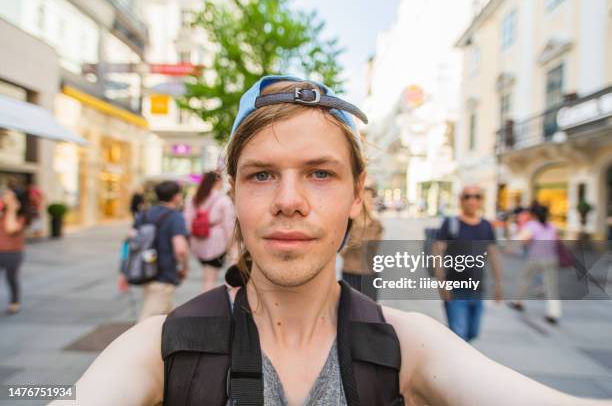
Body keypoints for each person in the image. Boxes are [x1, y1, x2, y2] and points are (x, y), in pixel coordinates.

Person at [60, 76, 609, 405]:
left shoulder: (407, 348)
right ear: (233, 193)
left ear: (356, 194)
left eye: (320, 173)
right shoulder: (160, 350)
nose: (289, 199)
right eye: (261, 175)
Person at [433, 185, 503, 342]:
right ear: (461, 200)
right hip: (455, 289)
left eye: (477, 196)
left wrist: (498, 284)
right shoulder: (450, 224)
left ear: (481, 200)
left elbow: (493, 255)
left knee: (472, 333)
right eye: (467, 197)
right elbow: (437, 252)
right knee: (459, 335)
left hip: (478, 289)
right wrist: (441, 282)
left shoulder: (486, 226)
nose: (472, 200)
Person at [119, 181, 190, 322]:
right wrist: (184, 267)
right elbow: (180, 249)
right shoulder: (175, 217)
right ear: (175, 197)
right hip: (163, 275)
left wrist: (123, 271)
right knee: (148, 321)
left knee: (165, 317)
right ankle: (137, 343)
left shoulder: (144, 214)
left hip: (145, 271)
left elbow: (127, 243)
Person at [509, 204, 562, 324]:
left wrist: (509, 248)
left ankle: (518, 302)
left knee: (524, 279)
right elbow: (557, 241)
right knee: (551, 287)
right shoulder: (551, 226)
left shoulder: (533, 225)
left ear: (533, 215)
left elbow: (522, 239)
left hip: (535, 258)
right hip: (551, 258)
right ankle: (553, 313)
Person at [183, 171, 235, 292]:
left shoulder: (193, 199)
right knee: (211, 278)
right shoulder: (223, 200)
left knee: (207, 275)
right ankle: (207, 304)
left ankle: (206, 300)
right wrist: (231, 244)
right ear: (217, 181)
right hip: (217, 243)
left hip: (197, 241)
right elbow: (229, 225)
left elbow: (187, 222)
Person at [341, 186, 384, 300]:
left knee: (370, 310)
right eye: (366, 200)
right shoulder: (348, 223)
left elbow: (372, 248)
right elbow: (341, 250)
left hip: (370, 272)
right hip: (350, 271)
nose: (369, 203)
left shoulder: (376, 224)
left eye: (371, 200)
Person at [0, 187, 29, 314]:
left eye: (9, 197)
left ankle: (14, 302)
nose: (6, 198)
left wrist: (12, 210)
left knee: (10, 277)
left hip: (12, 252)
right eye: (5, 196)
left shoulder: (22, 215)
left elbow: (11, 228)